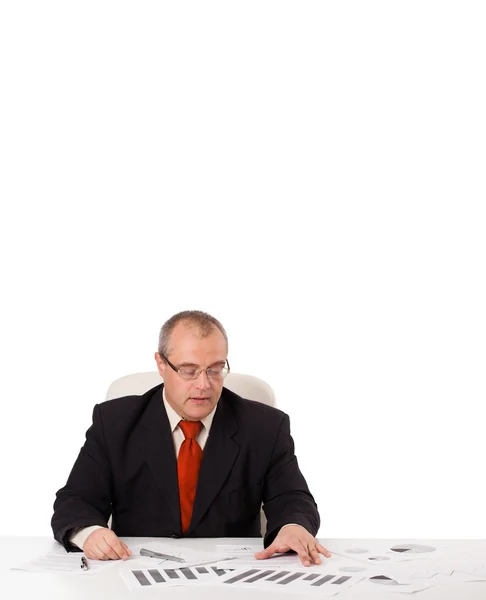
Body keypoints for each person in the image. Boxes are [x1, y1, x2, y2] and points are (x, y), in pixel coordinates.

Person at [52, 310, 330, 567]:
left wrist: (293, 526)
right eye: (189, 370)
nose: (203, 385)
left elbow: (292, 497)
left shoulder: (265, 426)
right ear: (161, 365)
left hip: (232, 577)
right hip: (135, 571)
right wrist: (90, 533)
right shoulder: (114, 422)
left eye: (215, 369)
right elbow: (75, 500)